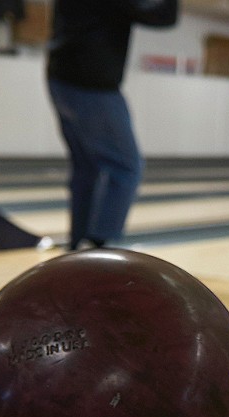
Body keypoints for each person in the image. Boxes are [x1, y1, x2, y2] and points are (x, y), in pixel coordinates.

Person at [46, 0, 179, 251]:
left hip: (59, 78)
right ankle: (98, 245)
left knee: (86, 169)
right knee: (127, 166)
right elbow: (161, 16)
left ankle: (78, 246)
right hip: (93, 83)